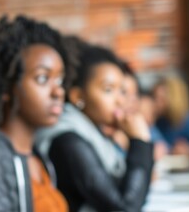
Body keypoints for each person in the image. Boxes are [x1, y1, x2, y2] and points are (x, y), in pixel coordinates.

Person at [0, 16, 77, 212]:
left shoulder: (38, 155)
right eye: (42, 78)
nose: (58, 92)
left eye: (59, 80)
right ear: (7, 87)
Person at [36, 44, 154, 212]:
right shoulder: (68, 141)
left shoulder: (95, 134)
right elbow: (124, 208)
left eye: (121, 91)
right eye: (108, 90)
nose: (120, 101)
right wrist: (140, 142)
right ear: (78, 96)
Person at [153, 75, 189, 158]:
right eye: (155, 98)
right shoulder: (159, 121)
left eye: (161, 99)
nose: (156, 103)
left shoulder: (188, 119)